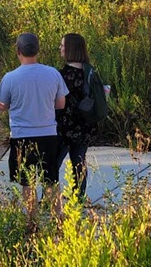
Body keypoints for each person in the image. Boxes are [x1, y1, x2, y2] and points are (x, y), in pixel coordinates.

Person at [0, 32, 67, 223]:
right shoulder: (53, 73)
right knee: (51, 178)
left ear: (18, 51)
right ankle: (58, 216)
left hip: (22, 135)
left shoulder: (10, 77)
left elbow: (2, 104)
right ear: (38, 50)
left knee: (27, 181)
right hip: (48, 133)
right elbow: (61, 104)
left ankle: (31, 219)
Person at [55, 33, 99, 202]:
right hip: (85, 125)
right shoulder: (91, 72)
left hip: (64, 126)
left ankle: (49, 198)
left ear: (70, 49)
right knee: (79, 162)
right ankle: (78, 196)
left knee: (54, 163)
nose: (60, 48)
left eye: (63, 45)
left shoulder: (61, 75)